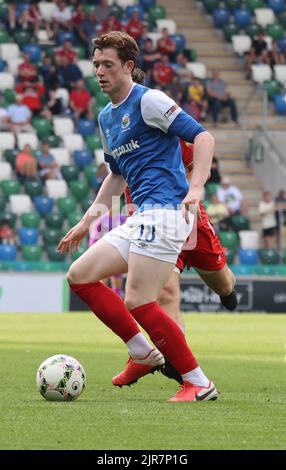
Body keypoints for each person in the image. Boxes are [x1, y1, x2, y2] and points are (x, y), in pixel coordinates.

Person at [58, 31, 217, 403]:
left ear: (128, 67)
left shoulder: (150, 102)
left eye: (108, 65)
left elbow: (204, 138)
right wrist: (86, 223)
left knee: (139, 300)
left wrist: (196, 187)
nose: (99, 71)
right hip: (142, 215)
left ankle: (198, 382)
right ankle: (143, 353)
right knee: (80, 276)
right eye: (96, 64)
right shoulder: (106, 117)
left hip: (167, 211)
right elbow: (116, 176)